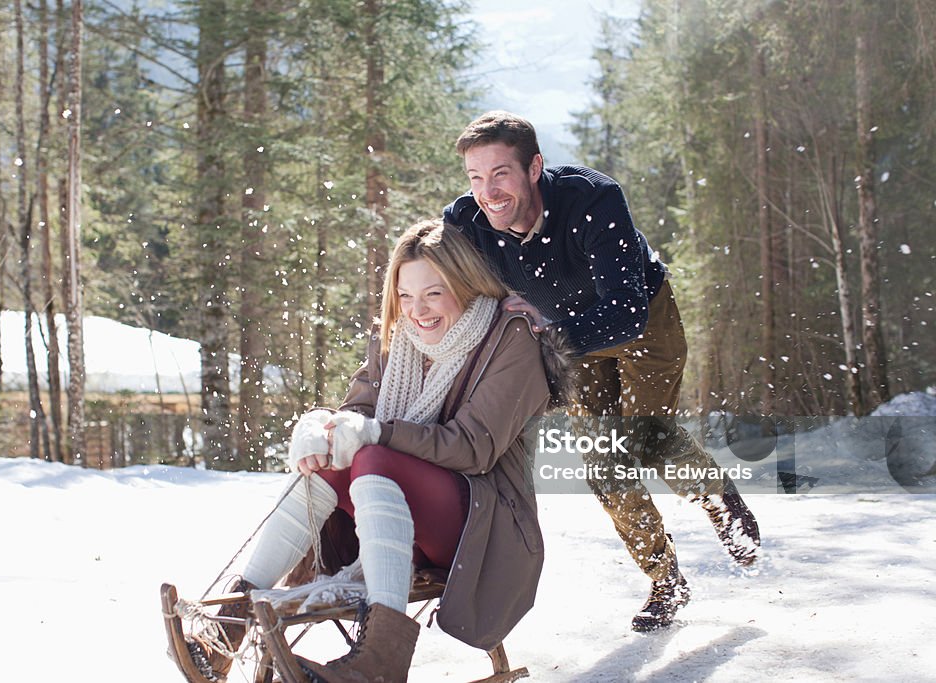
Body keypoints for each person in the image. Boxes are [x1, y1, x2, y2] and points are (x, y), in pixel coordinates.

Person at [179, 219, 572, 683]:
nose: (417, 310)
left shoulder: (509, 339)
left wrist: (371, 434)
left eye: (433, 293)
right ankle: (231, 627)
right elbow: (357, 414)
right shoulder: (397, 338)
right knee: (332, 463)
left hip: (481, 527)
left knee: (372, 455)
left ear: (464, 284)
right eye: (405, 296)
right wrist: (319, 430)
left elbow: (473, 449)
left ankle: (380, 657)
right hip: (393, 517)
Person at [443, 111, 761, 632]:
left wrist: (547, 327)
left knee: (649, 438)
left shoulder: (593, 199)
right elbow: (430, 265)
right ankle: (666, 582)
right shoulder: (467, 221)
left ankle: (721, 502)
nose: (488, 191)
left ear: (535, 167)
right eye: (476, 177)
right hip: (571, 338)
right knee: (605, 465)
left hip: (642, 320)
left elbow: (626, 312)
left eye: (500, 173)